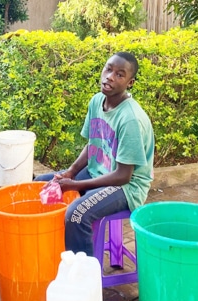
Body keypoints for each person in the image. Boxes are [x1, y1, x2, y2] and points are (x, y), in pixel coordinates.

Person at [34, 51, 154, 256]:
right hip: (98, 170)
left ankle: (82, 277)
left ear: (130, 82)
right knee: (39, 185)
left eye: (119, 74)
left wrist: (76, 185)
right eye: (108, 69)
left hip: (127, 187)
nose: (109, 77)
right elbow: (94, 144)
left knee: (76, 214)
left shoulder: (130, 119)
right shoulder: (97, 101)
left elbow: (123, 176)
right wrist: (71, 172)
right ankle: (44, 254)